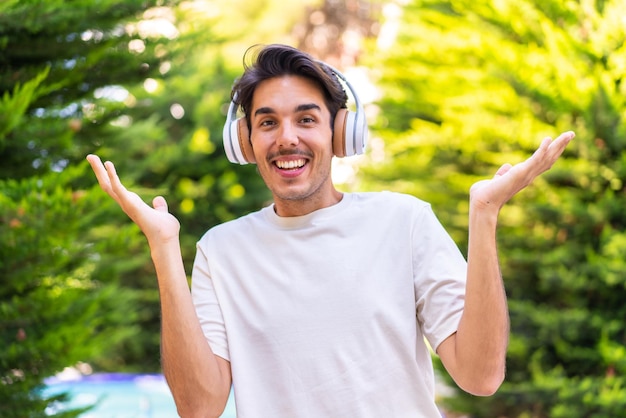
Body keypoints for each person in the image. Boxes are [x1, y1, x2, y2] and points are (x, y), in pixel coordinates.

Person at [87, 44, 574, 417]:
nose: (287, 138)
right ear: (246, 142)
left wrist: (484, 215)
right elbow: (199, 407)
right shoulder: (221, 250)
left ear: (341, 132)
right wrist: (164, 248)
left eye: (306, 119)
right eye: (267, 122)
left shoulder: (404, 221)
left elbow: (481, 375)